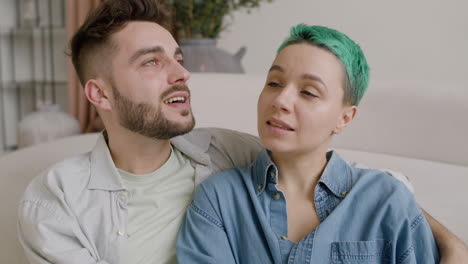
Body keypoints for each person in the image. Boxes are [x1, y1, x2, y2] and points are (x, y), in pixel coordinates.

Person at [16, 0, 466, 263]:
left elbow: (333, 176)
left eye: (178, 58)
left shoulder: (224, 151)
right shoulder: (56, 204)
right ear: (100, 95)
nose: (180, 74)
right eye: (153, 62)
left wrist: (453, 247)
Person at [176, 24, 440, 263]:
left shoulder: (387, 200)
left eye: (308, 92)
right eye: (274, 83)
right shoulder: (219, 199)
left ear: (344, 117)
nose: (280, 100)